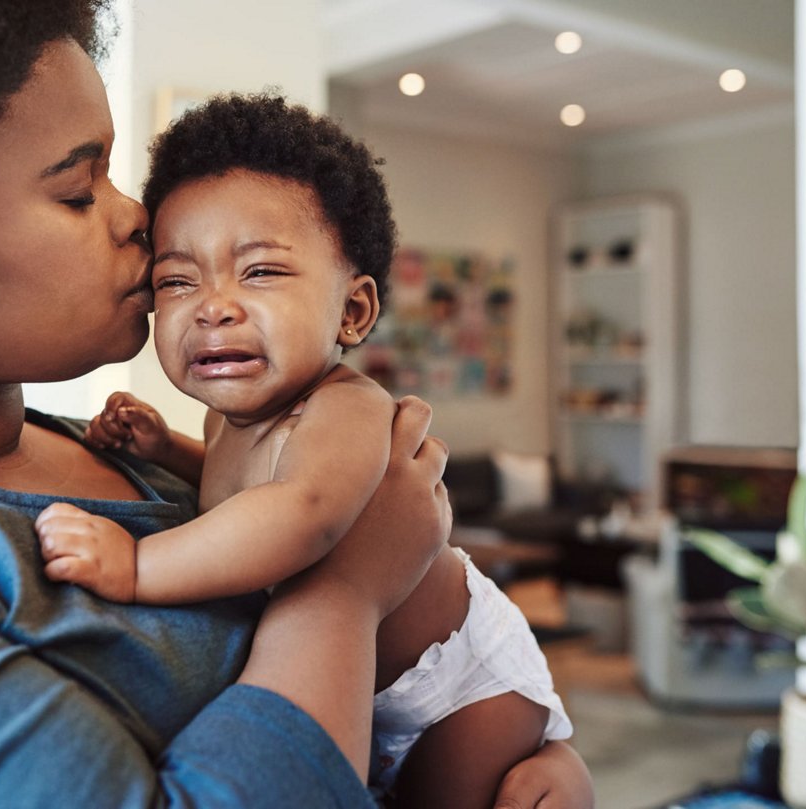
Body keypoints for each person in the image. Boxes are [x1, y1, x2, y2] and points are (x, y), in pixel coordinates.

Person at [0, 2, 594, 807]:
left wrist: (527, 750)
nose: (138, 220)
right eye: (80, 189)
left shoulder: (99, 446)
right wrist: (346, 591)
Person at [34, 93, 574, 808]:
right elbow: (243, 490)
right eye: (176, 279)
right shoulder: (233, 416)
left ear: (352, 311)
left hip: (461, 682)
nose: (213, 304)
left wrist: (137, 565)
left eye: (258, 272)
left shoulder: (345, 408)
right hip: (360, 687)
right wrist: (169, 449)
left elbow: (300, 515)